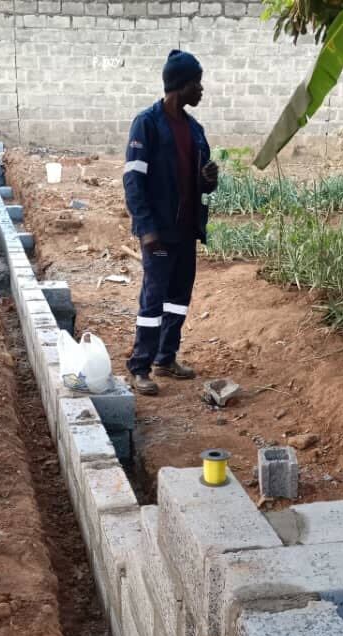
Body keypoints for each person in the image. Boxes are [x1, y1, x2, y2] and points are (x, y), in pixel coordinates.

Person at [123, 49, 219, 395]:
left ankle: (166, 357)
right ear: (181, 86)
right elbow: (133, 181)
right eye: (198, 83)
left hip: (185, 229)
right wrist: (146, 228)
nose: (202, 90)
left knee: (179, 296)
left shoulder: (195, 130)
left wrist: (209, 177)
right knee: (153, 298)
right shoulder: (147, 124)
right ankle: (141, 365)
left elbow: (204, 182)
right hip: (159, 233)